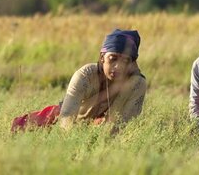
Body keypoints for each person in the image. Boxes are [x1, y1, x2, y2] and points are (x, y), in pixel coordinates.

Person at [11, 29, 147, 132]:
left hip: (97, 127)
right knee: (22, 128)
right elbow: (66, 120)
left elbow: (121, 125)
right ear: (102, 58)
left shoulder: (136, 84)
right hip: (61, 121)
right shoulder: (86, 75)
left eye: (125, 61)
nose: (118, 66)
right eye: (113, 59)